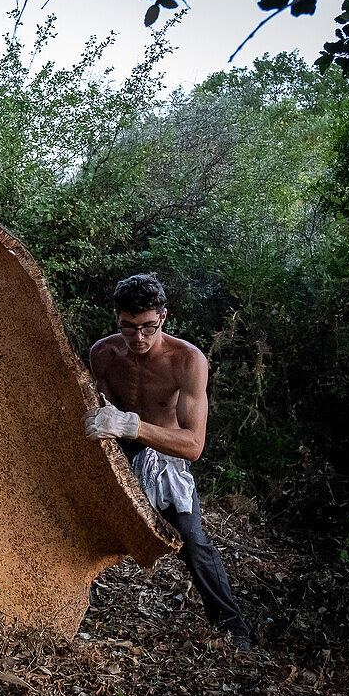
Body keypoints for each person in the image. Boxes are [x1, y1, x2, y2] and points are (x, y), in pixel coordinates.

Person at [84, 272, 252, 651]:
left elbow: (193, 446)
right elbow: (100, 407)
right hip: (120, 447)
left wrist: (132, 424)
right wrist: (102, 422)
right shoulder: (104, 354)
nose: (138, 338)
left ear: (163, 316)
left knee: (192, 542)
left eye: (147, 327)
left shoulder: (188, 361)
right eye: (128, 328)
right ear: (118, 319)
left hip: (165, 452)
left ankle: (233, 628)